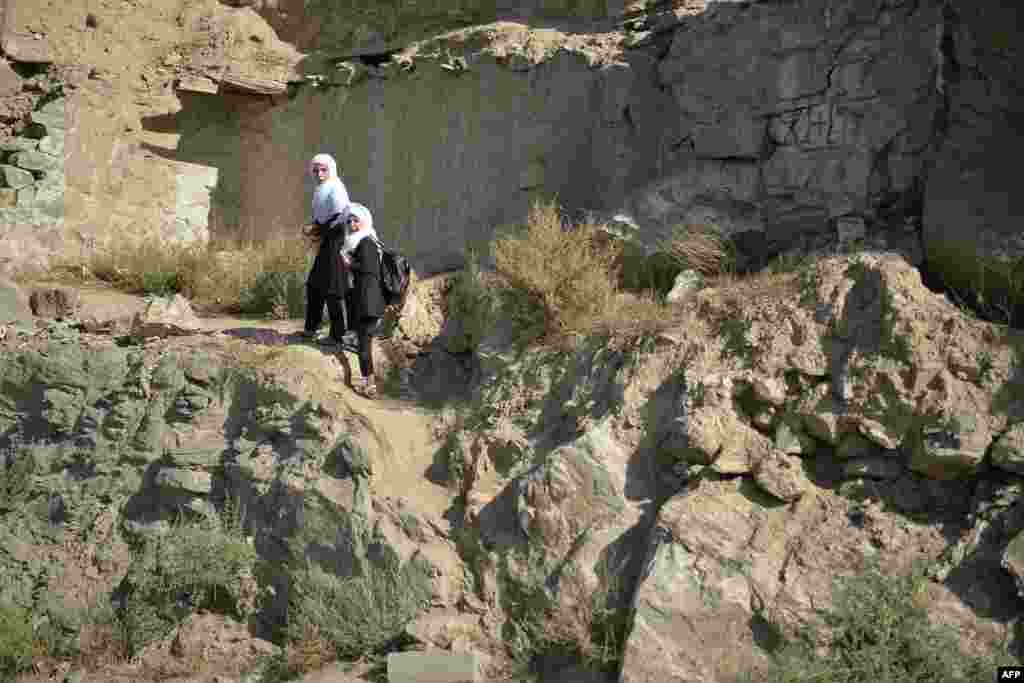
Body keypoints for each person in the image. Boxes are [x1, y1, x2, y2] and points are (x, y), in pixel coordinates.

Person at [301, 153, 351, 345]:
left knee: (332, 289)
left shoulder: (336, 187)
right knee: (315, 286)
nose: (319, 174)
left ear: (332, 169)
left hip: (336, 242)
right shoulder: (321, 188)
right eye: (316, 170)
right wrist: (315, 228)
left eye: (324, 170)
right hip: (327, 241)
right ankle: (311, 329)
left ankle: (338, 335)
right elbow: (322, 216)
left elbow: (340, 217)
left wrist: (316, 229)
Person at [341, 203, 385, 398]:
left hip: (367, 302)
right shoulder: (369, 241)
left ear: (364, 221)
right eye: (349, 220)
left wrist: (350, 263)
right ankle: (370, 383)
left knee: (364, 344)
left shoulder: (365, 241)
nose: (351, 224)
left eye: (355, 220)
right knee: (363, 342)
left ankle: (370, 385)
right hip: (370, 301)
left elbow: (369, 270)